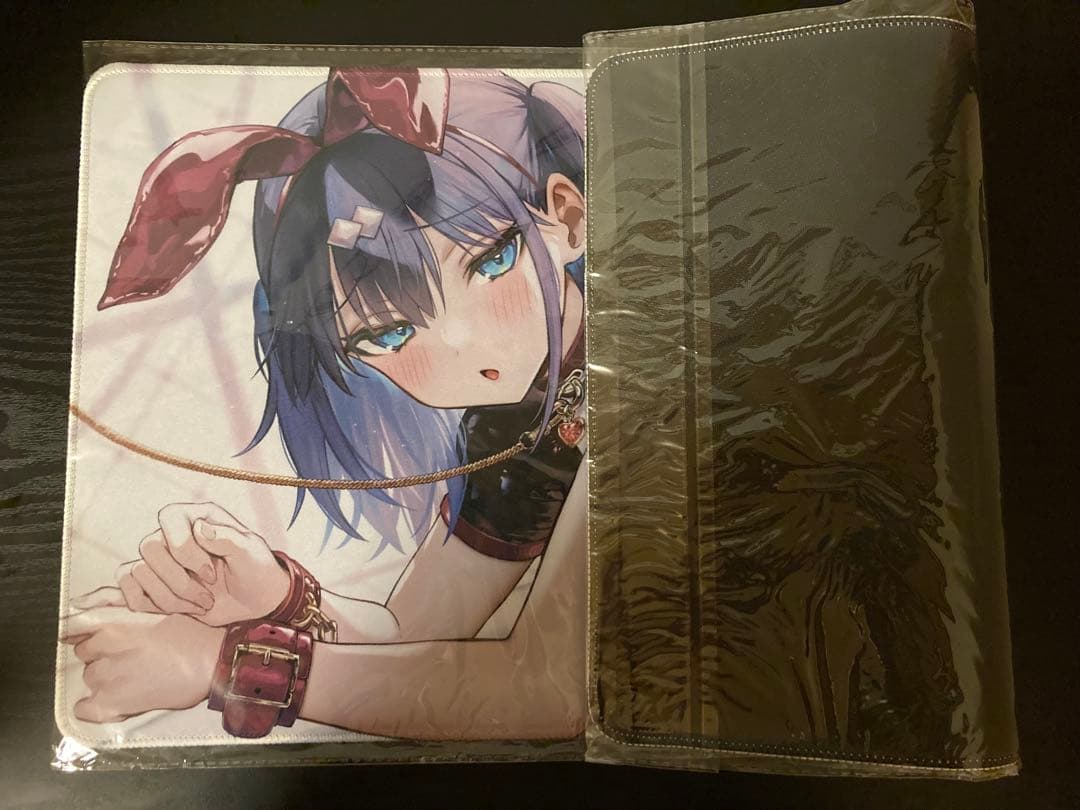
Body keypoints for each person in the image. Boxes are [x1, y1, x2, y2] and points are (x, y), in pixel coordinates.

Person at [62, 68, 588, 741]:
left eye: (490, 262)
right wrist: (279, 600)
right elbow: (420, 637)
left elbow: (549, 690)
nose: (466, 348)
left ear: (568, 217)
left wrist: (229, 666)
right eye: (388, 334)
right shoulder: (523, 417)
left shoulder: (649, 368)